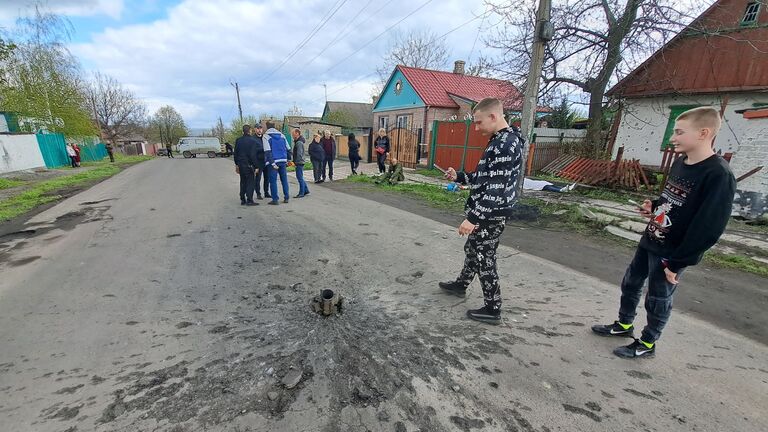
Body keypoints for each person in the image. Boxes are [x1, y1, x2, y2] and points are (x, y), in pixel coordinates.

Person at [592, 106, 736, 359]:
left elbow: (709, 226)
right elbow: (671, 199)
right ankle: (624, 325)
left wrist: (678, 262)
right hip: (651, 239)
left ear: (703, 133)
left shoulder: (718, 174)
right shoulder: (681, 162)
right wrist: (655, 207)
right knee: (631, 283)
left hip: (672, 253)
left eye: (679, 132)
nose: (673, 138)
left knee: (658, 298)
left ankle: (647, 343)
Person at [438, 98, 524, 325]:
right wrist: (459, 176)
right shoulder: (500, 140)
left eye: (478, 123)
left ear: (493, 117)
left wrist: (473, 218)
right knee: (473, 250)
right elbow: (484, 178)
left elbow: (495, 189)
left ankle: (493, 308)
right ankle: (461, 285)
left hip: (490, 214)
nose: (476, 128)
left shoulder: (505, 144)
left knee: (485, 258)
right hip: (488, 211)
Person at [264, 121, 291, 205]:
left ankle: (275, 199)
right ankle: (286, 197)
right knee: (284, 180)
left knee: (273, 181)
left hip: (273, 162)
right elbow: (288, 148)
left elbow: (267, 151)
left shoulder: (266, 136)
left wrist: (272, 163)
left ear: (267, 126)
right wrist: (288, 160)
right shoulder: (282, 135)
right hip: (283, 160)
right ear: (274, 126)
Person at [233, 124, 260, 206]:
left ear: (243, 131)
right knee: (250, 182)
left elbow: (235, 153)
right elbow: (253, 155)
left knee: (243, 181)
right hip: (249, 165)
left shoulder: (238, 140)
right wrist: (256, 166)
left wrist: (237, 164)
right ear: (250, 131)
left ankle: (242, 199)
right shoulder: (253, 141)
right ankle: (249, 200)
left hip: (241, 164)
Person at [252, 124, 270, 200]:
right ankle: (258, 193)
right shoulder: (252, 139)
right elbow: (252, 152)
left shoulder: (265, 138)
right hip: (258, 162)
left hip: (266, 161)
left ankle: (266, 192)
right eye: (258, 128)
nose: (259, 130)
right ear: (255, 129)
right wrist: (254, 164)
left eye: (260, 128)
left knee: (267, 178)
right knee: (258, 178)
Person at [291, 128, 309, 198]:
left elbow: (299, 154)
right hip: (300, 161)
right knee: (300, 177)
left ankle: (301, 193)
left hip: (299, 162)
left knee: (299, 178)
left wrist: (296, 163)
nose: (292, 135)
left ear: (297, 133)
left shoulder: (299, 142)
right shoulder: (298, 141)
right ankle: (306, 190)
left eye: (293, 133)